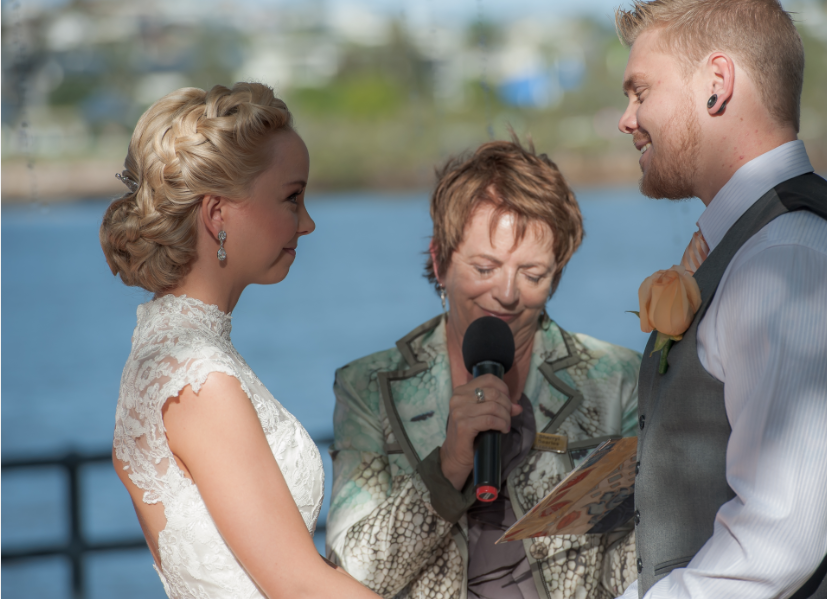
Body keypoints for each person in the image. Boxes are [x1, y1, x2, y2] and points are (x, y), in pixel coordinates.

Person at [612, 0, 827, 598]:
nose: (626, 119)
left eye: (641, 92)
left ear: (717, 84)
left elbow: (775, 539)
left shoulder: (790, 259)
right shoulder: (760, 245)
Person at [326, 139, 642, 599]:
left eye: (532, 275)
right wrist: (449, 466)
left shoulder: (617, 380)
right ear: (440, 262)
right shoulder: (369, 388)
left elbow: (633, 574)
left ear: (556, 276)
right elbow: (352, 578)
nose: (507, 294)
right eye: (485, 268)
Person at [103, 82, 381, 599]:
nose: (308, 223)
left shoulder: (166, 353)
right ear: (217, 215)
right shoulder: (195, 376)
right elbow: (299, 586)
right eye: (292, 198)